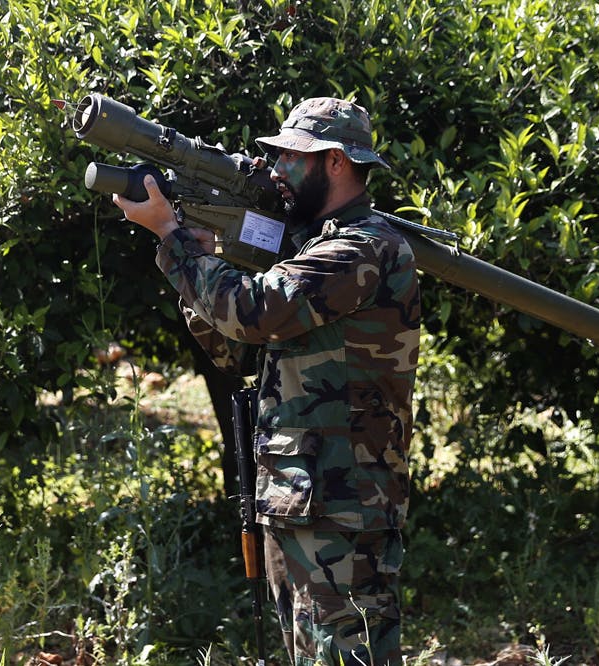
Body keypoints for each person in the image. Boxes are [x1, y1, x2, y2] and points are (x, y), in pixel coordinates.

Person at [113, 98, 420, 666]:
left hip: (345, 500)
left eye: (290, 156)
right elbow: (234, 350)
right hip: (298, 492)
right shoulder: (307, 247)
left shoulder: (361, 247)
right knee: (307, 654)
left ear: (334, 162)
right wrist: (199, 258)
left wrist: (175, 242)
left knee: (350, 654)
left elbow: (255, 310)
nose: (276, 168)